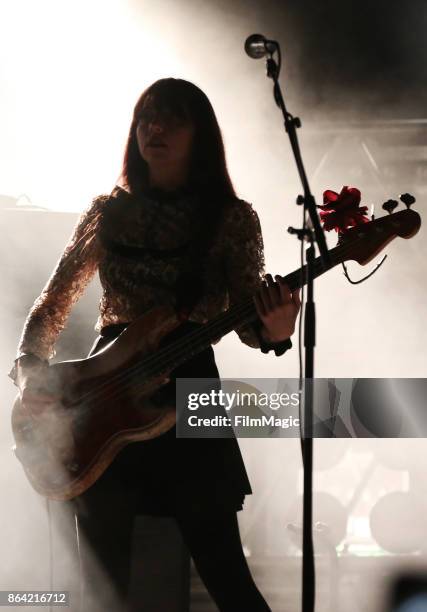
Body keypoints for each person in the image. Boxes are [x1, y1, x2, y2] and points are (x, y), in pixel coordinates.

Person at [9, 78, 301, 611]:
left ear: (202, 136)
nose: (155, 128)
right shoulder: (107, 211)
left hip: (193, 392)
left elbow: (251, 326)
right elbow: (51, 306)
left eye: (171, 118)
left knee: (227, 576)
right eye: (146, 117)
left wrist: (278, 329)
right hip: (104, 393)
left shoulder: (233, 220)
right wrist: (33, 377)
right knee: (105, 589)